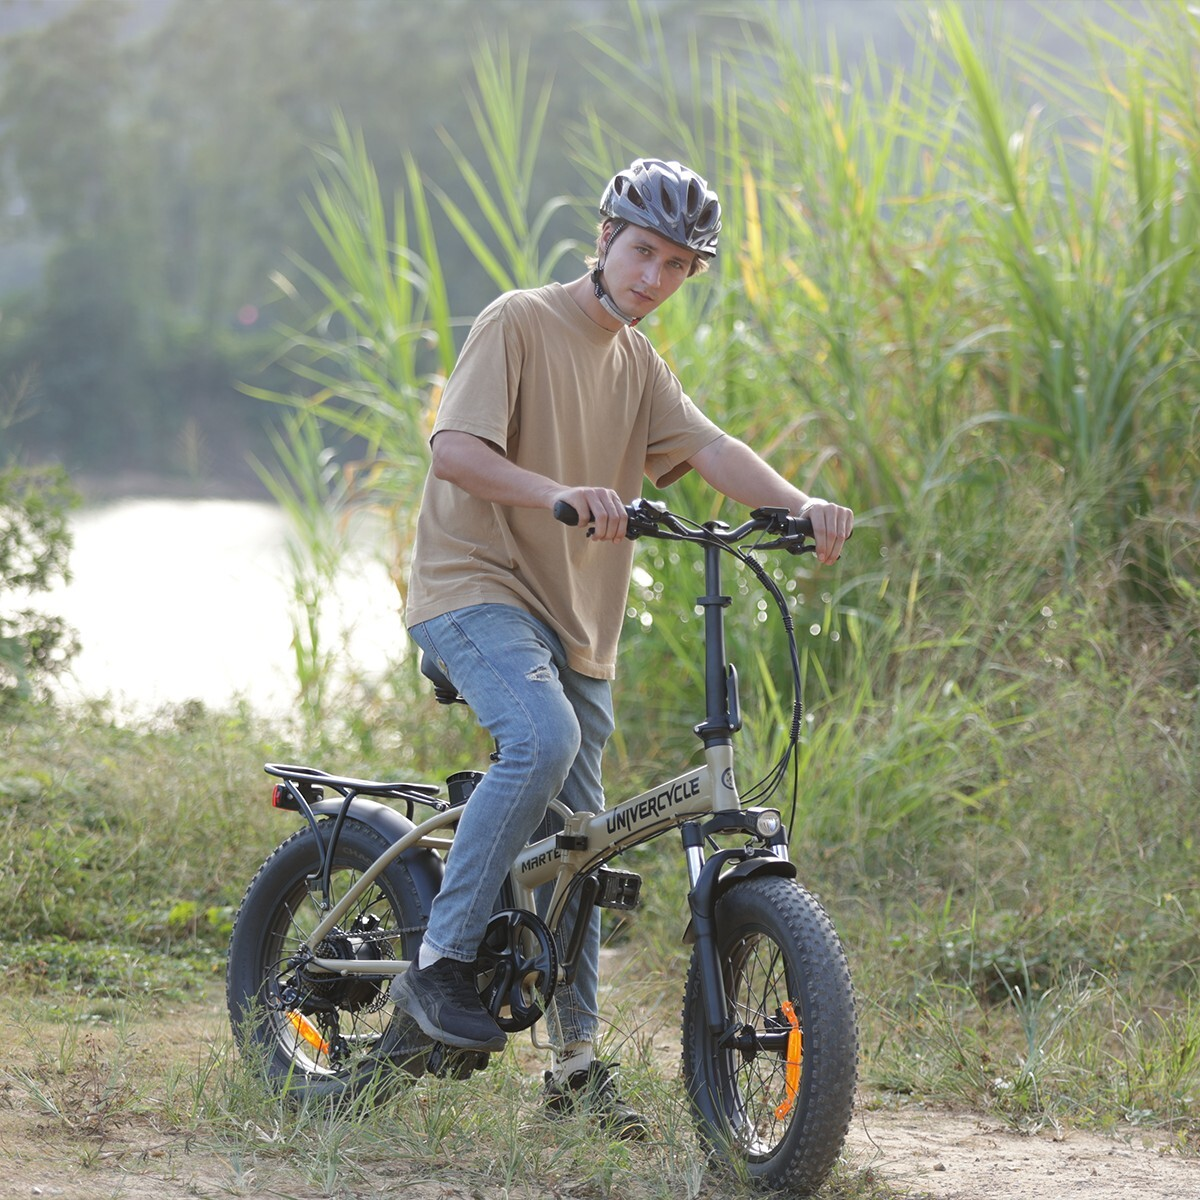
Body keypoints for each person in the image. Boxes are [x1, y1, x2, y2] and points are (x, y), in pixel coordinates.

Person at [392, 157, 853, 1134]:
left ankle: (573, 1070)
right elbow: (456, 452)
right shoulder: (519, 321)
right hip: (474, 587)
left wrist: (800, 504)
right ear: (603, 238)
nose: (655, 277)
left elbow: (711, 449)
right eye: (643, 251)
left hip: (576, 624)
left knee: (582, 848)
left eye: (678, 265)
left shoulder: (637, 364)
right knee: (544, 740)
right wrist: (558, 492)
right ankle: (439, 963)